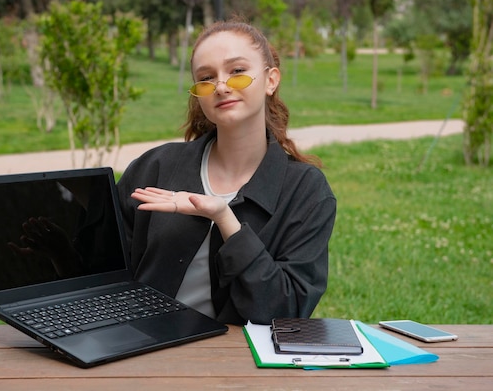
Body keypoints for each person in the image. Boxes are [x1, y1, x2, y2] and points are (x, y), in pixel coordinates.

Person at [116, 20, 336, 325]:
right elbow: (108, 272)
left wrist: (225, 220)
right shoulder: (155, 167)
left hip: (242, 361)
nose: (221, 86)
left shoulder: (306, 191)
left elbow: (287, 312)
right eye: (206, 78)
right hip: (143, 347)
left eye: (237, 72)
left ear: (271, 80)